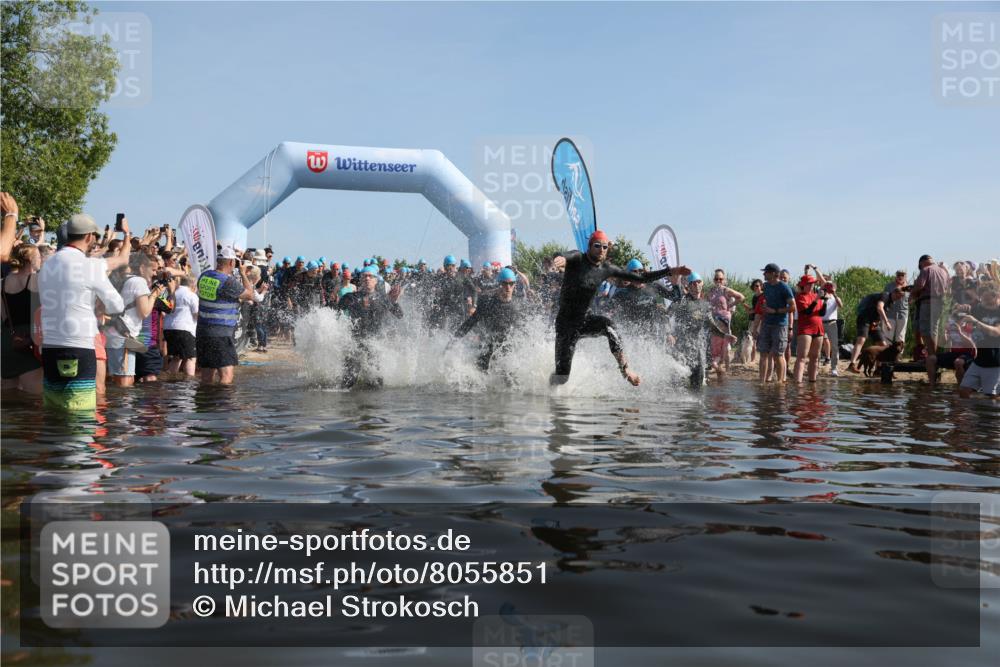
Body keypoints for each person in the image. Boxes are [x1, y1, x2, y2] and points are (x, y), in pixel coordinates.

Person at [549, 230, 689, 386]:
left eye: (604, 247)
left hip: (585, 320)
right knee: (562, 377)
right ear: (590, 246)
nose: (601, 249)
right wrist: (560, 258)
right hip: (565, 325)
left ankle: (625, 369)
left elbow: (641, 278)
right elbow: (562, 255)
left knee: (609, 326)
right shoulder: (578, 258)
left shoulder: (607, 269)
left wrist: (669, 271)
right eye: (597, 246)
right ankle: (548, 387)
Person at [37, 214, 125, 411]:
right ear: (89, 237)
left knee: (54, 409)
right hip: (79, 346)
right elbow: (116, 305)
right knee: (80, 412)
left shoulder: (47, 265)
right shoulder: (90, 266)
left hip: (50, 346)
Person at [105, 253, 168, 387]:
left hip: (114, 332)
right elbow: (144, 312)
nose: (155, 273)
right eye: (153, 269)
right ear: (142, 268)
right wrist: (154, 294)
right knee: (125, 382)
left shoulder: (121, 279)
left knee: (117, 378)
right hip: (123, 335)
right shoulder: (139, 281)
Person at [196, 246, 256, 384]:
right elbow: (250, 295)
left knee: (206, 376)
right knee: (226, 375)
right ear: (231, 262)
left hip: (203, 332)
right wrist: (243, 274)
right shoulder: (228, 282)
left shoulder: (204, 276)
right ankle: (224, 399)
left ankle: (205, 397)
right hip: (221, 334)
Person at [337, 265, 403, 388]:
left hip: (374, 344)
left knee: (376, 384)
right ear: (360, 280)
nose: (367, 279)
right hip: (355, 343)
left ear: (376, 280)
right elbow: (335, 312)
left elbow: (399, 315)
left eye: (370, 276)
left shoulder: (383, 299)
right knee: (347, 383)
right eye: (364, 276)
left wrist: (394, 302)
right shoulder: (351, 297)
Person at [453, 268, 522, 372]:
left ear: (514, 285)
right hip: (487, 349)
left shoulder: (517, 306)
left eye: (511, 284)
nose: (508, 287)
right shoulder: (488, 304)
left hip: (507, 352)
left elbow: (523, 331)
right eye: (504, 284)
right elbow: (470, 323)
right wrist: (454, 340)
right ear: (499, 284)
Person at [1, 244, 43, 393]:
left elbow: (3, 316)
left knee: (9, 397)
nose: (41, 259)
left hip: (8, 341)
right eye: (38, 256)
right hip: (30, 340)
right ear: (30, 260)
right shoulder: (38, 280)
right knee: (35, 397)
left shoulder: (2, 283)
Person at [910, 254, 950, 382]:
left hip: (927, 301)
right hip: (940, 302)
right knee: (934, 329)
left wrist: (912, 293)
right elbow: (948, 288)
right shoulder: (943, 271)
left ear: (922, 263)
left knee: (925, 329)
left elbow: (920, 285)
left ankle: (931, 356)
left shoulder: (926, 270)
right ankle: (933, 356)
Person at [956, 283, 1000, 399]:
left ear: (996, 296)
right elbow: (964, 314)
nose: (984, 302)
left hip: (996, 361)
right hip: (978, 360)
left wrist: (976, 322)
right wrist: (961, 308)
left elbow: (996, 332)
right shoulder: (978, 309)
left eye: (987, 300)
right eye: (983, 299)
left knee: (992, 397)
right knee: (963, 391)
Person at [757, 263, 796, 384]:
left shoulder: (784, 287)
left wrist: (775, 311)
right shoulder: (766, 286)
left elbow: (793, 307)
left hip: (780, 324)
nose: (764, 274)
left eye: (766, 272)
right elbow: (766, 301)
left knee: (778, 354)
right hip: (766, 323)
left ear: (773, 274)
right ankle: (761, 382)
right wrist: (765, 307)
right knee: (763, 353)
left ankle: (780, 383)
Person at [707, 269, 744, 378]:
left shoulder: (726, 291)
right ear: (714, 280)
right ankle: (720, 371)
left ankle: (726, 371)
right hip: (715, 324)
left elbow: (741, 297)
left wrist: (730, 305)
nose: (718, 281)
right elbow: (705, 302)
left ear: (724, 280)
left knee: (726, 349)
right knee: (716, 350)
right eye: (716, 279)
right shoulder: (711, 291)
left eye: (720, 279)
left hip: (725, 323)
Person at [792, 274, 827, 383]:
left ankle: (812, 382)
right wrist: (817, 299)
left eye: (812, 283)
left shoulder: (815, 295)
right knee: (802, 357)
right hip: (805, 329)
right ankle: (798, 382)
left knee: (815, 357)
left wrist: (825, 301)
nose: (812, 285)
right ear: (804, 285)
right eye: (809, 284)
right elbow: (807, 312)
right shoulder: (800, 297)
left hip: (818, 328)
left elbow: (821, 313)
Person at [847, 291, 892, 374]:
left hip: (874, 322)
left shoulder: (891, 301)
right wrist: (886, 322)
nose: (900, 298)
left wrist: (877, 321)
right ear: (895, 293)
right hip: (864, 319)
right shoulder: (885, 296)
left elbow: (877, 312)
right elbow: (879, 308)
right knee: (861, 340)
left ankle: (878, 369)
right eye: (900, 295)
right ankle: (852, 365)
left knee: (882, 345)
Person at [164, 275, 199, 376]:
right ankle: (189, 381)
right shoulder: (191, 295)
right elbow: (196, 314)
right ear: (193, 285)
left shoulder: (171, 294)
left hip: (169, 329)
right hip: (185, 329)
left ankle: (171, 380)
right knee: (190, 358)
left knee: (176, 357)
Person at [820, 282, 844, 376]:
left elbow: (841, 305)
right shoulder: (821, 296)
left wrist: (834, 294)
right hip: (820, 322)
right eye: (828, 287)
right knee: (817, 346)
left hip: (832, 323)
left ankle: (834, 368)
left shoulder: (835, 298)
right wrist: (823, 295)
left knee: (834, 346)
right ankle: (816, 367)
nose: (830, 289)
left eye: (832, 287)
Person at [881, 270, 910, 345]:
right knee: (887, 336)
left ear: (905, 276)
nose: (900, 277)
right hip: (889, 314)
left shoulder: (909, 288)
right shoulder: (889, 286)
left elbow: (910, 300)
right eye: (898, 275)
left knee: (900, 337)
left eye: (902, 275)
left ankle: (899, 352)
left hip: (903, 315)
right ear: (896, 276)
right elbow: (884, 299)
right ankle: (886, 351)